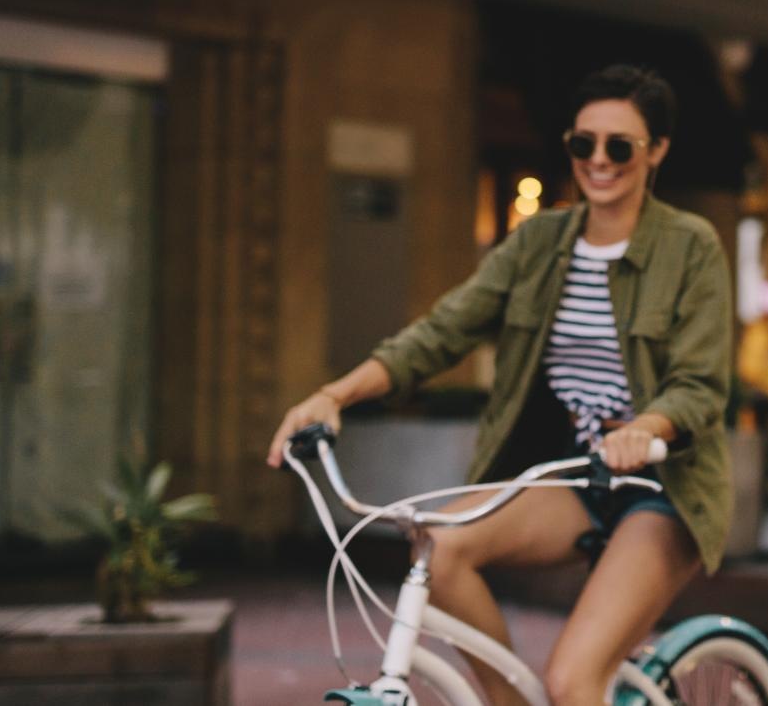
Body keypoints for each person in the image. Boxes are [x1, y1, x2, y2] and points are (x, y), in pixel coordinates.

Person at [267, 64, 734, 706]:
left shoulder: (691, 246)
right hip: (576, 476)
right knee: (437, 543)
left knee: (575, 681)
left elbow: (700, 385)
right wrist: (333, 395)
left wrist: (645, 429)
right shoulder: (538, 243)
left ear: (656, 151)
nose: (599, 160)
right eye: (583, 143)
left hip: (663, 485)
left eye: (619, 146)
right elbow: (438, 334)